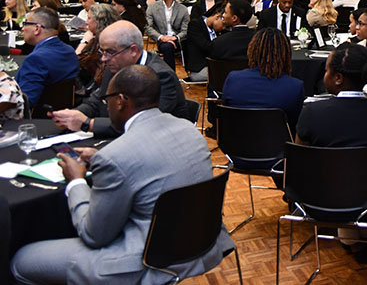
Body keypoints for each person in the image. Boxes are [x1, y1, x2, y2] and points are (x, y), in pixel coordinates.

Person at [13, 64, 234, 284]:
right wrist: (102, 157)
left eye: (106, 98)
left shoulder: (117, 156)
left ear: (120, 100)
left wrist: (76, 182)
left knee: (20, 261)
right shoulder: (190, 130)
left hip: (145, 261)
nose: (105, 105)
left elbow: (93, 236)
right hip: (201, 243)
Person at [295, 42, 367, 248]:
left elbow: (299, 164)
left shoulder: (311, 112)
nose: (323, 75)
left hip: (319, 202)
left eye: (326, 70)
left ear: (338, 78)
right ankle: (358, 233)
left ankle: (351, 235)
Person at [50, 20, 187, 138]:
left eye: (109, 52)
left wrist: (88, 124)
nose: (104, 58)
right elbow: (98, 99)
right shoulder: (116, 64)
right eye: (102, 51)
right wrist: (76, 114)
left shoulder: (160, 76)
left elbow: (143, 126)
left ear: (133, 50)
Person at [223, 28, 305, 130]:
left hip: (235, 143)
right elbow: (296, 126)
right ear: (286, 54)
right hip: (277, 144)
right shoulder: (295, 87)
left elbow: (225, 118)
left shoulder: (233, 79)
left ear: (252, 50)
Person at [14, 8, 79, 107]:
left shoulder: (35, 59)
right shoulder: (69, 50)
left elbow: (24, 102)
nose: (22, 28)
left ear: (37, 29)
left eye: (26, 23)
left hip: (37, 117)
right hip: (64, 112)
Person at [75, 4, 121, 97]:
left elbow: (76, 61)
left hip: (96, 92)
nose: (86, 22)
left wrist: (84, 41)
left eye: (89, 18)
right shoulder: (112, 36)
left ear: (99, 21)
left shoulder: (103, 42)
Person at [145, 0, 190, 70]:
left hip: (177, 39)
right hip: (161, 38)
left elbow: (186, 30)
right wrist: (161, 37)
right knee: (168, 46)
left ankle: (192, 73)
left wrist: (175, 37)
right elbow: (147, 27)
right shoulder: (152, 7)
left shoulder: (182, 9)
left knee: (190, 45)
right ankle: (171, 75)